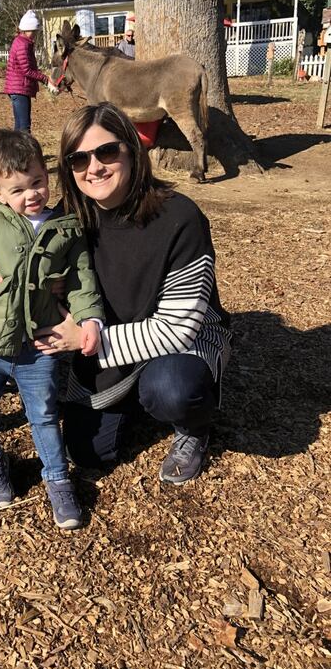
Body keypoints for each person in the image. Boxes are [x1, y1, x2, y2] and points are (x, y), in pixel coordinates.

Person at [34, 102, 232, 485]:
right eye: (78, 159)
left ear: (131, 150)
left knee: (171, 390)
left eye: (106, 151)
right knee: (88, 453)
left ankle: (194, 425)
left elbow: (177, 329)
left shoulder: (179, 218)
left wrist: (84, 340)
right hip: (111, 340)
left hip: (178, 339)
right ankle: (135, 394)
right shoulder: (68, 220)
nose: (94, 168)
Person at [0, 130, 104, 529]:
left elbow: (82, 280)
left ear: (48, 176)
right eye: (18, 189)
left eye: (38, 182)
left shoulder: (66, 228)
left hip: (37, 344)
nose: (32, 194)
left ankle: (58, 480)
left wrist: (89, 319)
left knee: (43, 413)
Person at [4, 10, 59, 132]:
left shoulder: (22, 42)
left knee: (19, 127)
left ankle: (16, 150)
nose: (35, 34)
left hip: (18, 88)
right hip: (19, 89)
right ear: (27, 29)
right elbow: (27, 70)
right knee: (24, 127)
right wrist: (45, 79)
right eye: (33, 31)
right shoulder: (23, 45)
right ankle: (24, 150)